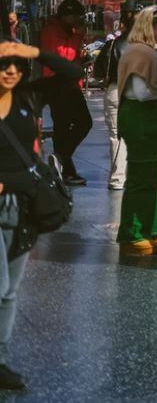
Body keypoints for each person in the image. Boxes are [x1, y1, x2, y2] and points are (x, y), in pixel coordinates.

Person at [0, 39, 80, 391]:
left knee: (10, 292)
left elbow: (73, 73)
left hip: (22, 207)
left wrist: (31, 51)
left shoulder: (28, 96)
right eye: (5, 65)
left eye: (18, 65)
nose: (11, 71)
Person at [115, 6, 157, 257]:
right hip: (142, 117)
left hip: (155, 118)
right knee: (142, 176)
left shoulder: (149, 52)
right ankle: (133, 233)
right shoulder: (140, 53)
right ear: (149, 26)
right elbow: (143, 93)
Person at [39, 0, 91, 185]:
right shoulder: (53, 30)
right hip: (59, 85)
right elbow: (62, 57)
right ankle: (62, 160)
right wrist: (78, 37)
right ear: (66, 16)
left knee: (63, 127)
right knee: (82, 123)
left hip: (66, 84)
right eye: (76, 17)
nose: (79, 20)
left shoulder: (63, 29)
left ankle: (64, 168)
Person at [99, 7, 136, 190]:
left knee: (116, 134)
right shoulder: (149, 46)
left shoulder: (113, 44)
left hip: (115, 89)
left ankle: (117, 178)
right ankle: (133, 174)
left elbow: (99, 71)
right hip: (138, 90)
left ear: (122, 24)